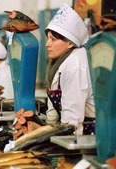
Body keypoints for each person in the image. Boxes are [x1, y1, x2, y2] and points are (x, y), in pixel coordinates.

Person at [44, 3, 95, 135]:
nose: (47, 44)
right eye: (48, 38)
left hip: (90, 136)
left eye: (53, 39)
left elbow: (72, 119)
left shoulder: (75, 63)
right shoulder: (58, 63)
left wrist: (67, 147)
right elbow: (53, 115)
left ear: (70, 43)